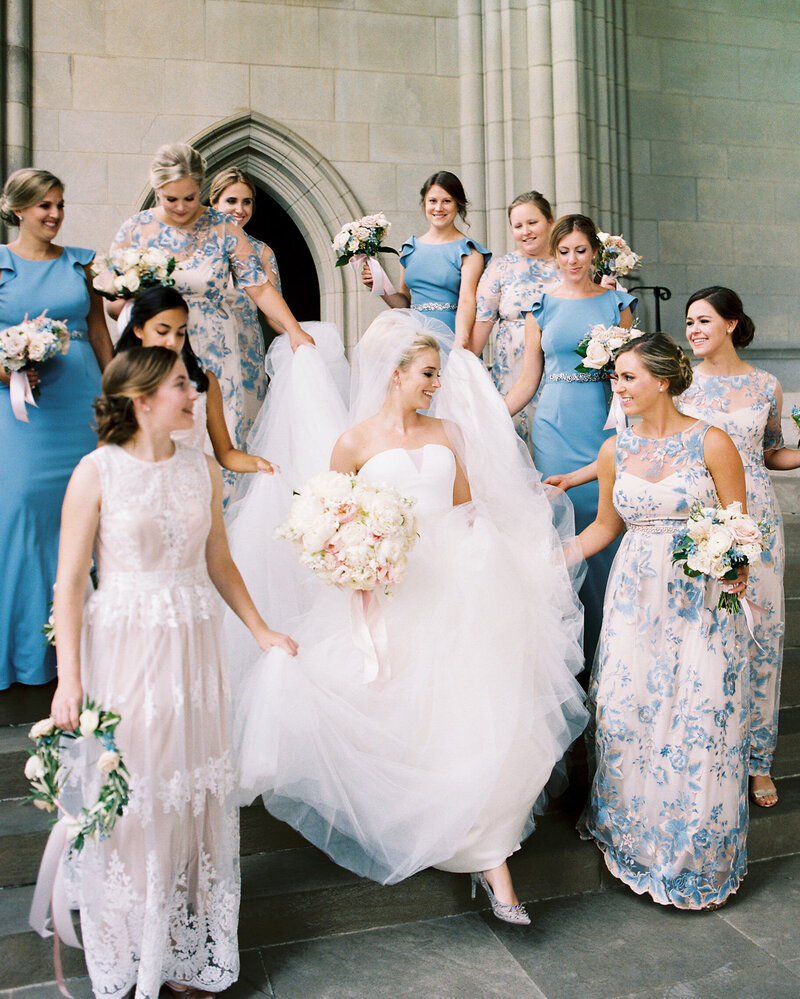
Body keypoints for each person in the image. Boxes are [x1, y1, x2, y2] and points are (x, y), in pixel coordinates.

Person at [226, 310, 587, 926]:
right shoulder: (355, 442)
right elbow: (326, 519)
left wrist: (488, 554)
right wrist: (358, 560)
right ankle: (430, 822)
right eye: (426, 373)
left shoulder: (450, 431)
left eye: (437, 375)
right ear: (395, 374)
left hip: (462, 582)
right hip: (393, 589)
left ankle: (491, 860)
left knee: (480, 714)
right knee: (416, 716)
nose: (434, 384)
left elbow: (467, 503)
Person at [49, 346, 297, 999]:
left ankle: (184, 947)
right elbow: (70, 583)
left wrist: (262, 628)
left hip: (195, 648)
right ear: (142, 398)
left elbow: (219, 559)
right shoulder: (95, 471)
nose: (196, 395)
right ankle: (133, 946)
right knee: (139, 792)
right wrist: (68, 679)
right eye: (183, 386)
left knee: (192, 795)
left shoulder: (200, 468)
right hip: (127, 649)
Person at [576, 332, 749, 910]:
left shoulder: (712, 442)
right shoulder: (614, 451)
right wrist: (544, 563)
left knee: (697, 720)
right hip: (633, 602)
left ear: (662, 381)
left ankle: (691, 856)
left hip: (699, 604)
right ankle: (634, 841)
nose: (616, 387)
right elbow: (604, 528)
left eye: (627, 377)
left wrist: (732, 568)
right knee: (628, 714)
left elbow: (739, 531)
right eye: (615, 377)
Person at [108, 142, 313, 456]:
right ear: (157, 189)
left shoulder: (223, 228)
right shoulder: (135, 230)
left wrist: (294, 330)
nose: (180, 207)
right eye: (170, 199)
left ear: (201, 188)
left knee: (217, 436)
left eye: (189, 198)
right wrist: (127, 293)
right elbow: (112, 306)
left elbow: (258, 286)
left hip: (216, 349)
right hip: (159, 346)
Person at [679, 286, 800, 810]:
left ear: (731, 324)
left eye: (703, 320)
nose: (693, 330)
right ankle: (711, 758)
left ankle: (758, 763)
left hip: (759, 525)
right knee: (706, 642)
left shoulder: (766, 384)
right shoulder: (679, 385)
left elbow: (771, 451)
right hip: (702, 524)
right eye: (688, 323)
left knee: (762, 642)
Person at [505, 214, 636, 670]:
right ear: (554, 254)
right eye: (564, 251)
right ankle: (574, 653)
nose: (572, 259)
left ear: (595, 253)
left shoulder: (617, 303)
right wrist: (485, 416)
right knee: (567, 525)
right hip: (555, 427)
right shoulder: (539, 306)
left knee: (611, 521)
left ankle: (616, 645)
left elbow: (631, 374)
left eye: (581, 250)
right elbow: (527, 381)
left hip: (604, 425)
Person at [0, 168, 111, 691]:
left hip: (82, 400)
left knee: (94, 508)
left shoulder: (81, 263)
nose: (54, 215)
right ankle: (29, 654)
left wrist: (117, 396)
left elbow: (98, 331)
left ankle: (91, 647)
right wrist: (7, 367)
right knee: (22, 508)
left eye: (60, 205)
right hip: (21, 408)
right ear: (17, 209)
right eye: (44, 206)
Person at [116, 285, 276, 477]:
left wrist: (257, 463)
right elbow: (109, 452)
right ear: (138, 330)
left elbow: (225, 453)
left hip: (189, 486)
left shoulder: (203, 382)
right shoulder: (123, 381)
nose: (172, 342)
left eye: (180, 333)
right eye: (162, 332)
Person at [362, 171, 490, 346]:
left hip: (452, 335)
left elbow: (467, 301)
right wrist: (379, 284)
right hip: (414, 336)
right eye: (433, 201)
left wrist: (462, 343)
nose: (438, 208)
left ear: (458, 205)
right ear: (424, 203)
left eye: (447, 201)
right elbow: (404, 304)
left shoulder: (468, 251)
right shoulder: (410, 249)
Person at [470, 190, 557, 442]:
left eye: (532, 223)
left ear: (550, 222)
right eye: (518, 226)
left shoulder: (568, 265)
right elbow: (480, 329)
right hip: (512, 375)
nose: (525, 231)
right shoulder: (500, 268)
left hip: (556, 373)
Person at [208, 166, 282, 296]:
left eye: (246, 202)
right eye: (231, 201)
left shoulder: (262, 253)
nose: (240, 210)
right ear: (215, 202)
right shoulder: (193, 245)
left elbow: (273, 314)